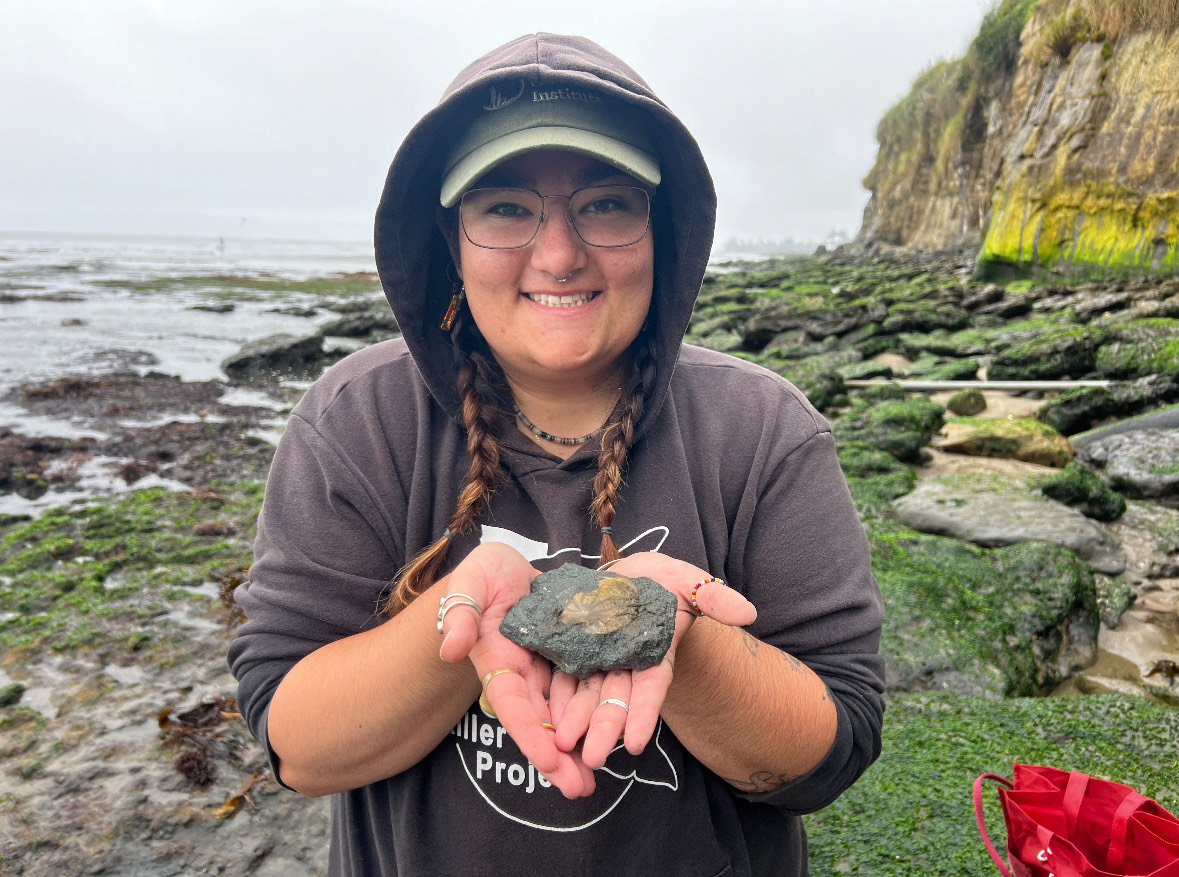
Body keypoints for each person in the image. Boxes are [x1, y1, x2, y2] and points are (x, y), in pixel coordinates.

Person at [229, 32, 885, 877]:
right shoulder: (358, 419)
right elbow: (296, 744)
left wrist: (681, 644)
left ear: (662, 228)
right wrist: (459, 618)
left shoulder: (761, 430)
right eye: (505, 207)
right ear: (450, 241)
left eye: (605, 203)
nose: (559, 253)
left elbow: (836, 746)